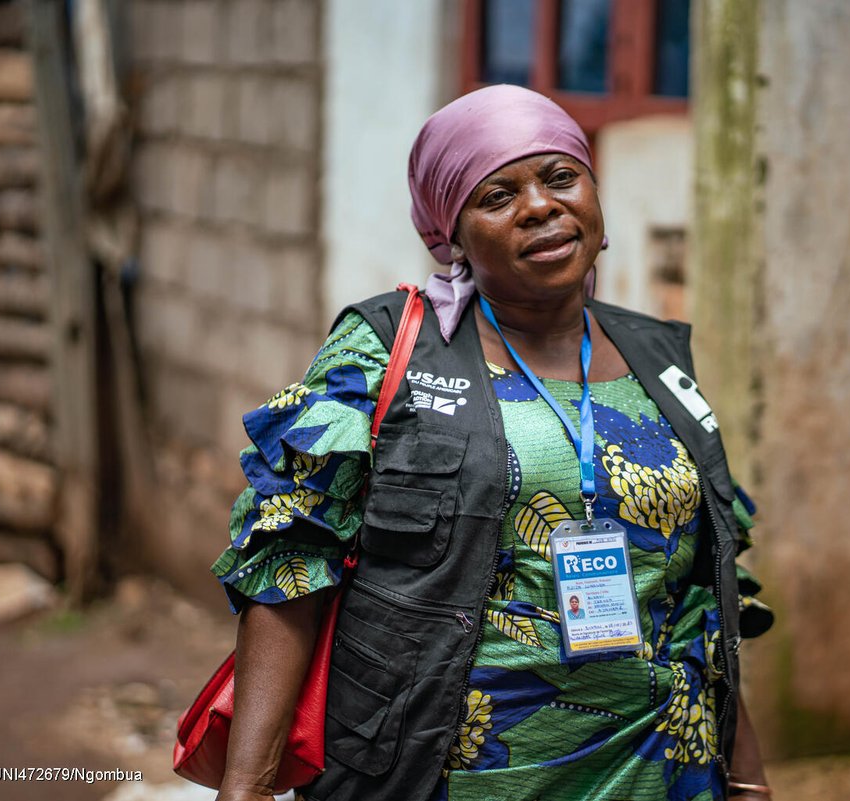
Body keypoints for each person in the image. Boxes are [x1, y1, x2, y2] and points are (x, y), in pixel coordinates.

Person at [210, 84, 774, 801]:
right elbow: (293, 553)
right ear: (453, 237)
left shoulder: (655, 356)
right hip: (456, 769)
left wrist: (748, 776)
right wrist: (247, 783)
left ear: (596, 204)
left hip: (662, 764)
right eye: (498, 195)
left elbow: (704, 593)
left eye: (561, 178)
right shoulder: (390, 348)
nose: (540, 205)